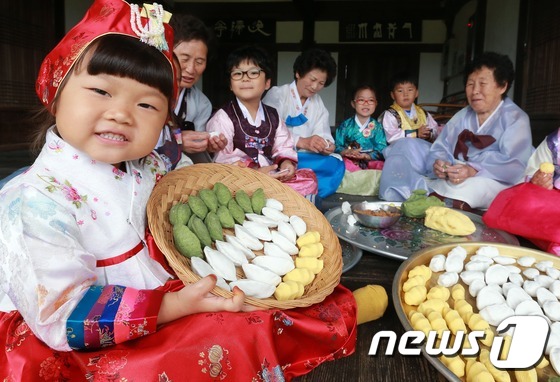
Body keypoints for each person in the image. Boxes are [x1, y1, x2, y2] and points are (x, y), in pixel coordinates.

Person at [0, 2, 387, 379]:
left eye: (147, 104)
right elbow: (61, 316)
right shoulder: (33, 200)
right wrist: (169, 307)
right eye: (102, 92)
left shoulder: (147, 164)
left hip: (162, 279)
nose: (122, 113)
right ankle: (330, 323)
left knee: (253, 298)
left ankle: (342, 310)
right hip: (91, 327)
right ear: (56, 89)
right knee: (222, 336)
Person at [379, 51, 533, 211]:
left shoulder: (516, 118)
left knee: (475, 187)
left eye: (482, 84)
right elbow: (441, 147)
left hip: (490, 177)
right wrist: (439, 163)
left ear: (502, 86)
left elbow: (515, 164)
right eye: (470, 84)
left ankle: (432, 194)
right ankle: (433, 192)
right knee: (405, 145)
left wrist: (473, 170)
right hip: (456, 170)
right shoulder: (463, 115)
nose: (475, 91)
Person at [207, 45, 318, 199]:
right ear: (231, 85)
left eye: (253, 73)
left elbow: (283, 145)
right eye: (238, 74)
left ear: (267, 83)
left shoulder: (273, 116)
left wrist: (286, 163)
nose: (245, 78)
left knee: (309, 179)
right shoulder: (223, 117)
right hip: (241, 182)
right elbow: (223, 160)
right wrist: (255, 174)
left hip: (271, 175)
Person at [263, 48, 345, 199]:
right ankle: (302, 187)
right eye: (312, 80)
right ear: (298, 73)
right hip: (280, 156)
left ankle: (299, 185)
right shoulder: (277, 94)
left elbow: (324, 134)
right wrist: (302, 142)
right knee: (270, 162)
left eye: (321, 83)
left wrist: (325, 145)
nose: (315, 87)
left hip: (306, 158)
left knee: (334, 162)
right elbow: (268, 131)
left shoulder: (317, 103)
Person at [155, 14, 226, 166]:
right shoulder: (146, 91)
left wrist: (208, 145)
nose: (191, 69)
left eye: (199, 62)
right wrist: (177, 141)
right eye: (184, 58)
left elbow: (196, 147)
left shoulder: (201, 103)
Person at [483, 127, 560, 254]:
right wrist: (537, 181)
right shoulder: (554, 142)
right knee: (524, 203)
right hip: (554, 201)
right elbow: (532, 170)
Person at [335, 84, 387, 171]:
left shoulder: (378, 127)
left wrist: (367, 156)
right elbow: (337, 145)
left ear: (376, 103)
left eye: (370, 100)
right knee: (342, 164)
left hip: (370, 161)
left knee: (383, 166)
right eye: (361, 100)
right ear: (353, 104)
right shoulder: (345, 125)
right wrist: (346, 152)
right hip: (350, 160)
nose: (366, 104)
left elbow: (382, 148)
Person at [378, 72, 439, 144]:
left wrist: (428, 134)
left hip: (422, 148)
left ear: (416, 93)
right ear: (392, 95)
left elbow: (435, 129)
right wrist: (415, 133)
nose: (405, 94)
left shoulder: (423, 113)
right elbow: (391, 137)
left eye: (410, 90)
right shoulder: (391, 114)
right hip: (399, 151)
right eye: (400, 91)